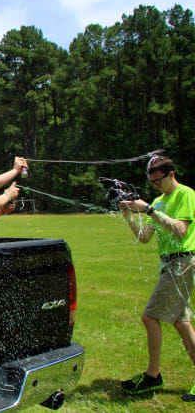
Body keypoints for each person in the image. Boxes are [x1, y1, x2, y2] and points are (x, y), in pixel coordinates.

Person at [118, 155, 195, 402]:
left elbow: (180, 230)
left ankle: (153, 375)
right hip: (170, 263)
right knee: (181, 323)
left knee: (149, 317)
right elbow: (144, 236)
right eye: (151, 183)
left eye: (158, 182)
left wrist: (149, 209)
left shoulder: (185, 195)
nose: (155, 187)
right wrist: (128, 214)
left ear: (171, 174)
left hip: (183, 261)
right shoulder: (159, 201)